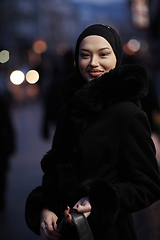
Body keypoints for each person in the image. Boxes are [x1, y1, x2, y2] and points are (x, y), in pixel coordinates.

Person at [25, 24, 160, 240]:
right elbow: (53, 173)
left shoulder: (128, 114)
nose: (93, 63)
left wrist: (97, 202)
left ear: (116, 57)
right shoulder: (69, 111)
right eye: (85, 55)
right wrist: (45, 210)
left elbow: (148, 186)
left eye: (103, 54)